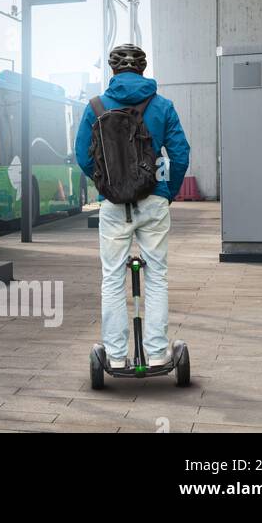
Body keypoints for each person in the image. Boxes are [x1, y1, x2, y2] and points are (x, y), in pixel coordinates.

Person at [75, 44, 190, 369]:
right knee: (156, 277)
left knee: (111, 278)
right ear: (142, 69)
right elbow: (180, 154)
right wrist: (166, 191)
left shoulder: (95, 106)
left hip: (113, 205)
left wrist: (107, 185)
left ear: (113, 71)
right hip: (153, 201)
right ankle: (155, 355)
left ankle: (114, 355)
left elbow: (83, 156)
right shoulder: (162, 105)